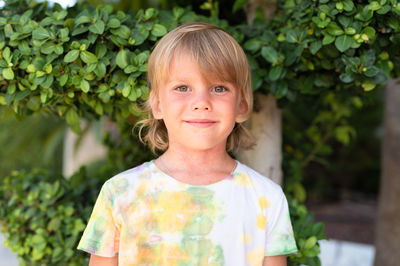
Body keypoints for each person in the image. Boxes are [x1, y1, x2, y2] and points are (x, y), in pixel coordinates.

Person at [77, 22, 298, 266]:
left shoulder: (266, 198)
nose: (201, 102)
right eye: (182, 88)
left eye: (219, 88)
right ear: (157, 104)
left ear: (242, 105)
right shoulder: (119, 193)